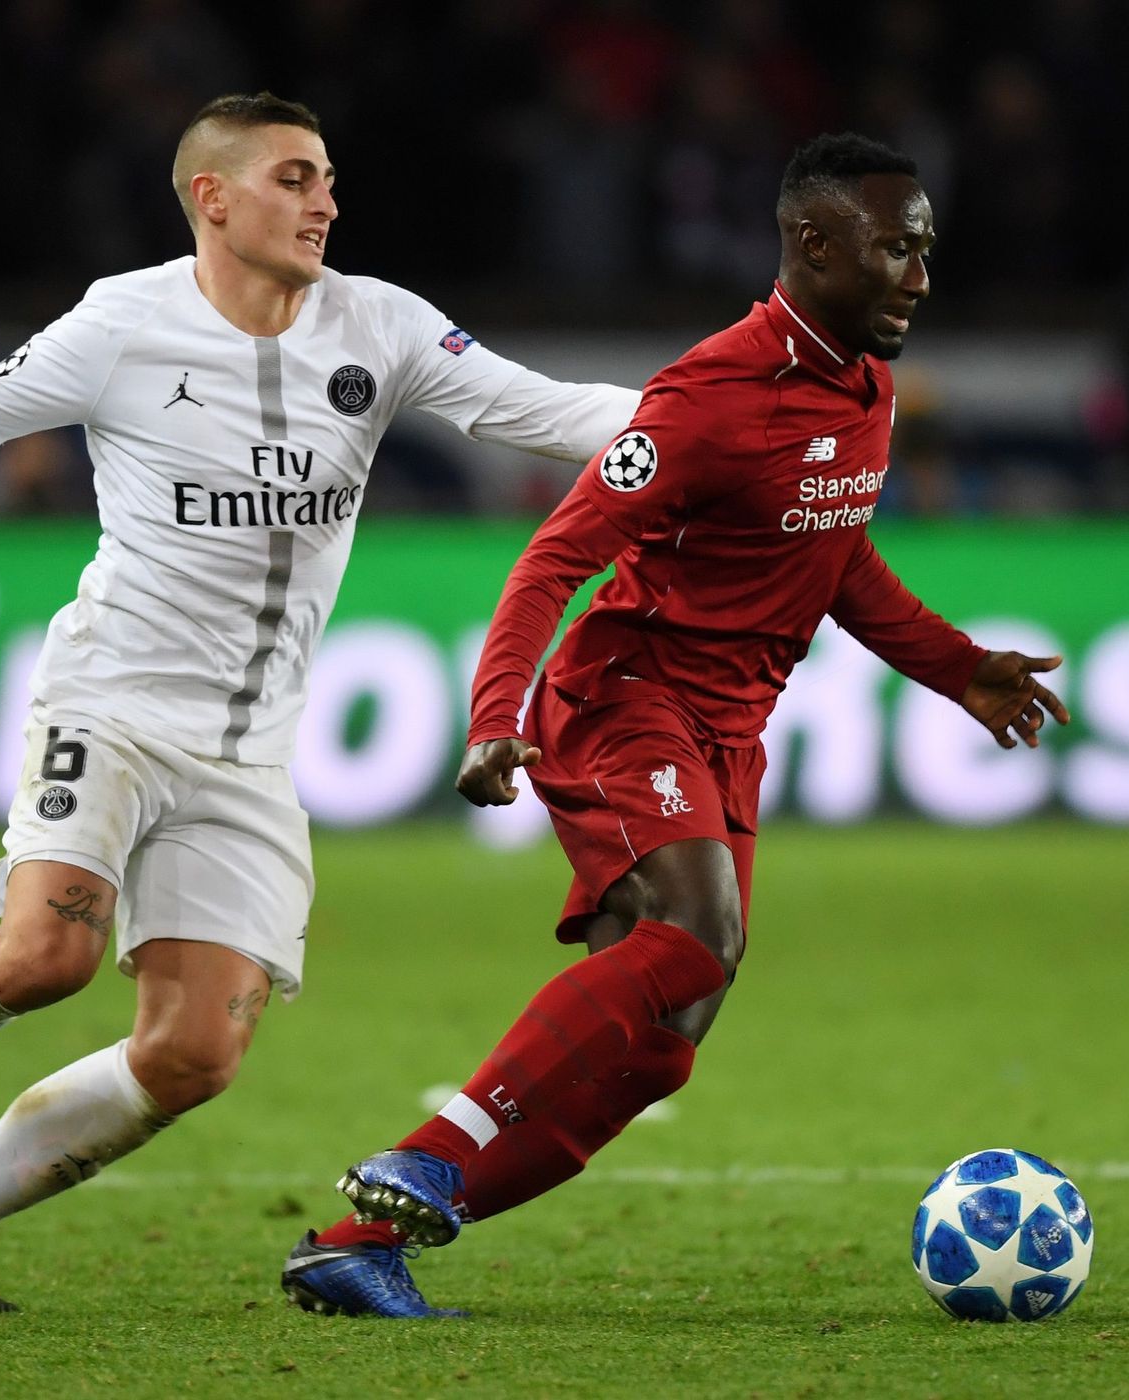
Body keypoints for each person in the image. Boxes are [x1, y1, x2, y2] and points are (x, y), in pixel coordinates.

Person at [0, 91, 640, 1314]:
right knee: (44, 957)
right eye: (294, 178)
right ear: (211, 196)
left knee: (194, 1052)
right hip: (110, 702)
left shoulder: (379, 323)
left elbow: (551, 408)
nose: (325, 202)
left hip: (249, 750)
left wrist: (715, 420)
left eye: (327, 179)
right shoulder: (123, 323)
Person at [282, 131, 1071, 1317]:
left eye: (922, 249)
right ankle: (433, 1154)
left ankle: (355, 1244)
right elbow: (553, 560)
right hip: (625, 699)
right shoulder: (708, 398)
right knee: (696, 932)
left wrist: (956, 668)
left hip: (727, 734)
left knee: (659, 1044)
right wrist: (494, 715)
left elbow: (834, 553)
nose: (917, 276)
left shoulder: (866, 385)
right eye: (894, 249)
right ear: (811, 243)